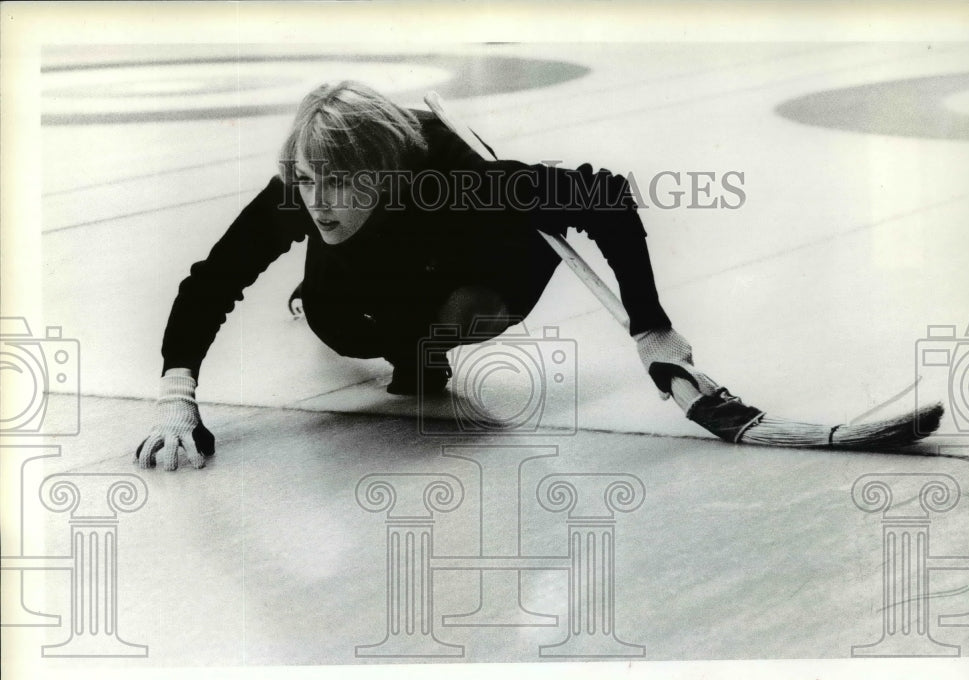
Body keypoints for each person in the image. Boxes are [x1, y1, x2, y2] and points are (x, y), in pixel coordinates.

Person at [135, 80, 698, 471]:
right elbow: (213, 279)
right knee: (335, 322)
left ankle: (536, 203)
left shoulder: (454, 177)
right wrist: (177, 395)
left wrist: (650, 329)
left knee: (466, 304)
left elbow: (607, 198)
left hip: (474, 260)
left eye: (336, 183)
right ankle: (398, 338)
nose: (317, 202)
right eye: (308, 180)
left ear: (382, 171)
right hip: (364, 286)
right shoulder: (300, 190)